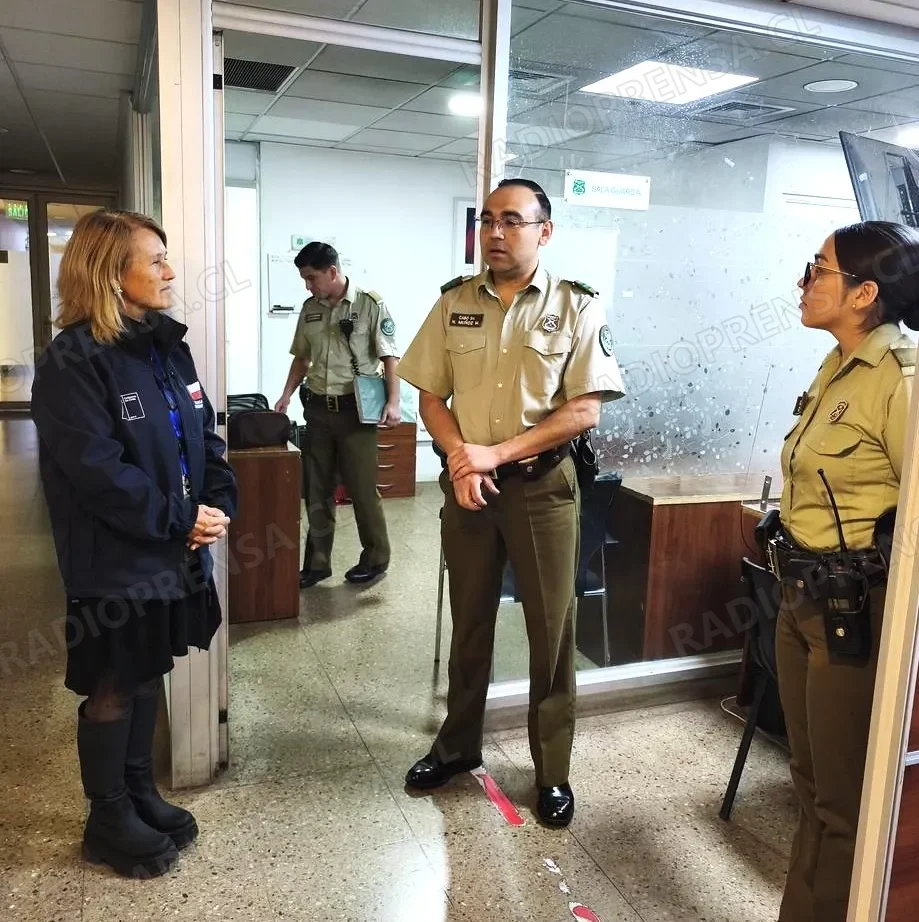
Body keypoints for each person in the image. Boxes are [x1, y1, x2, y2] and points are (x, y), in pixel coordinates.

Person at [397, 178, 624, 827]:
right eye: (488, 220)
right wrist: (459, 459)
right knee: (469, 623)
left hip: (542, 489)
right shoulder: (453, 303)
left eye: (512, 221)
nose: (495, 233)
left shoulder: (576, 306)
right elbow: (430, 396)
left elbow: (583, 411)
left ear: (543, 232)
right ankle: (456, 747)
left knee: (551, 632)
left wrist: (493, 454)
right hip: (469, 489)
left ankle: (551, 771)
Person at [31, 210, 238, 878]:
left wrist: (216, 504)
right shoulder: (71, 361)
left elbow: (202, 433)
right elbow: (97, 471)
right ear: (110, 275)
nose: (171, 272)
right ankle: (107, 815)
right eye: (156, 260)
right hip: (115, 560)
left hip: (171, 548)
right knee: (113, 683)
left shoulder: (166, 347)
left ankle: (140, 791)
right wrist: (182, 519)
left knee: (149, 669)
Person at [770, 221, 919, 921]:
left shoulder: (901, 379)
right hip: (799, 599)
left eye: (818, 269)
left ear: (863, 293)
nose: (803, 282)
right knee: (807, 783)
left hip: (853, 612)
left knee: (842, 803)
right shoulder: (838, 364)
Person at [274, 242, 400, 588]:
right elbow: (302, 357)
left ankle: (375, 558)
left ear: (332, 272)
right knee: (317, 490)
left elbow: (389, 356)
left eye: (311, 278)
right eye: (304, 279)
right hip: (317, 409)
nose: (307, 286)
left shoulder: (370, 304)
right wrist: (286, 394)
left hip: (355, 412)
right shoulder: (310, 309)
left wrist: (393, 402)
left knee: (361, 489)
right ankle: (317, 564)